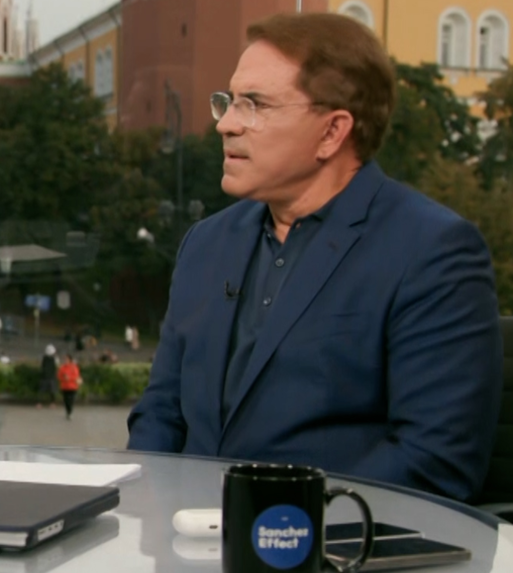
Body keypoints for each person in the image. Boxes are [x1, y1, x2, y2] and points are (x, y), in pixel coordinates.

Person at [126, 14, 501, 502]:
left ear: (332, 132)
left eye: (254, 105)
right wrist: (148, 511)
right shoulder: (206, 243)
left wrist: (273, 525)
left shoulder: (433, 251)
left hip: (328, 542)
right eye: (229, 101)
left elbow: (433, 459)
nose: (226, 123)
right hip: (186, 537)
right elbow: (161, 411)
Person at [57, 354, 82, 421]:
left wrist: (69, 378)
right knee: (66, 400)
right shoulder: (62, 367)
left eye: (66, 359)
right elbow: (59, 376)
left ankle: (70, 412)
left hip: (73, 386)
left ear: (70, 360)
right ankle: (68, 411)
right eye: (64, 359)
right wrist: (63, 378)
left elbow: (76, 376)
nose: (65, 360)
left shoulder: (74, 367)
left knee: (71, 400)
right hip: (64, 386)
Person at [37, 345, 58, 409]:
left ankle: (51, 403)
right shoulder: (48, 358)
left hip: (49, 376)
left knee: (50, 391)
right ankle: (50, 403)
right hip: (48, 376)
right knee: (46, 391)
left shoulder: (52, 358)